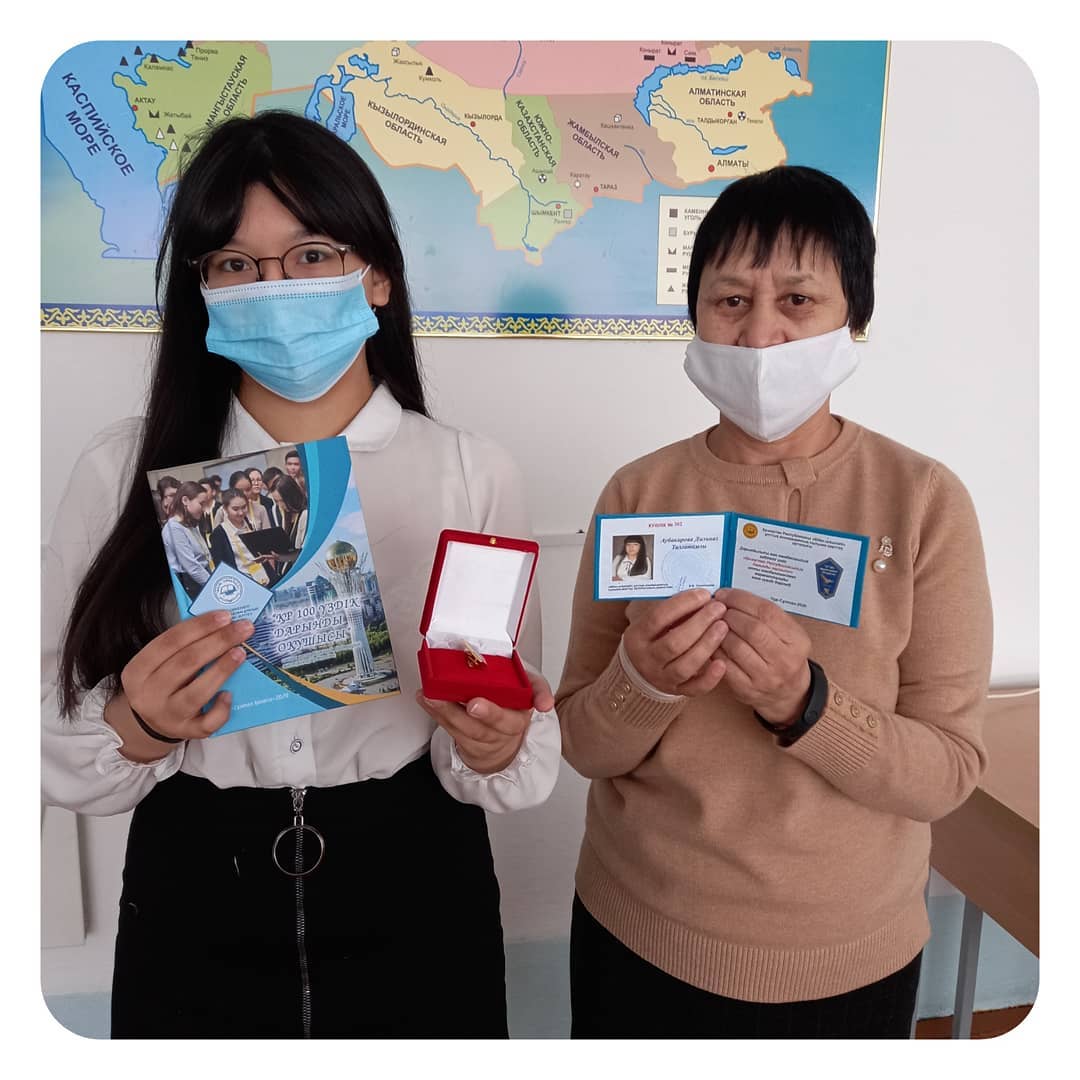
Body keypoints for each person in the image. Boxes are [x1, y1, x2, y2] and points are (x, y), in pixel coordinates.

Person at [43, 110, 561, 1039]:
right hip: (194, 884)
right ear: (201, 289)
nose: (274, 287)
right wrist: (139, 724)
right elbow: (47, 724)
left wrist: (494, 744)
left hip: (416, 877)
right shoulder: (122, 470)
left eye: (313, 253)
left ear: (378, 275)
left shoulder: (471, 471)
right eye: (235, 264)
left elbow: (503, 716)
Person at [556, 165, 992, 1038]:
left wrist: (806, 704)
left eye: (798, 300)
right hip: (637, 930)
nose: (759, 335)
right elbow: (580, 743)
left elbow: (947, 772)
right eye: (730, 301)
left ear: (853, 316)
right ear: (695, 316)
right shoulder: (639, 494)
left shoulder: (923, 502)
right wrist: (643, 680)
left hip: (849, 957)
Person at [208, 486, 273, 586]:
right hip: (240, 582)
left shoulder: (251, 524)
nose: (241, 512)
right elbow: (221, 566)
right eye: (235, 509)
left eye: (244, 507)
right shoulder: (219, 533)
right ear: (225, 509)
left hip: (263, 576)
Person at [159, 480, 213, 600]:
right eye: (201, 504)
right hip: (192, 584)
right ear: (185, 500)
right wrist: (213, 584)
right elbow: (191, 567)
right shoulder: (174, 528)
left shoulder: (189, 524)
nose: (204, 509)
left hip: (202, 578)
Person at [269, 473, 308, 549]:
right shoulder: (287, 514)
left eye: (282, 500)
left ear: (291, 496)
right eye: (276, 501)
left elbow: (303, 549)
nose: (280, 505)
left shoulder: (305, 514)